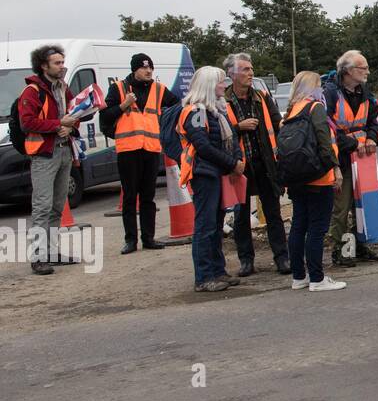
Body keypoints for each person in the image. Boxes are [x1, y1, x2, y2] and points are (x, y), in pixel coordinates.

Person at [100, 53, 180, 254]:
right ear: (134, 69)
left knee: (148, 197)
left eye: (151, 68)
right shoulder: (118, 88)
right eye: (144, 68)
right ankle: (130, 240)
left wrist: (166, 128)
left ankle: (149, 238)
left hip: (151, 149)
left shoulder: (159, 89)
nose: (148, 71)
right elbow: (106, 116)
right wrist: (123, 105)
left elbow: (177, 107)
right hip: (128, 149)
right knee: (129, 197)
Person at [178, 66, 245, 293]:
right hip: (204, 174)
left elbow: (231, 138)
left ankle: (217, 271)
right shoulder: (195, 112)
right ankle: (204, 277)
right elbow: (203, 146)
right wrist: (232, 163)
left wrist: (236, 158)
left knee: (216, 225)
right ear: (208, 85)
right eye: (220, 82)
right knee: (205, 226)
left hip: (216, 173)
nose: (224, 85)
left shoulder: (216, 111)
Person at [17, 45, 83, 275]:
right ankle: (38, 258)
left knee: (57, 206)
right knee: (42, 207)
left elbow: (74, 114)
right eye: (57, 63)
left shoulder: (63, 88)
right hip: (44, 155)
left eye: (63, 62)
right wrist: (59, 125)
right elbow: (27, 122)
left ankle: (51, 253)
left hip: (64, 151)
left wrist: (71, 127)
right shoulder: (32, 91)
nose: (62, 66)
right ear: (43, 65)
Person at [222, 53, 290, 276]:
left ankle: (282, 258)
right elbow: (219, 131)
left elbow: (276, 123)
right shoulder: (224, 99)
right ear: (231, 74)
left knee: (273, 213)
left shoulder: (261, 96)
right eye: (245, 69)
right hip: (239, 166)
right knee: (241, 216)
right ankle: (246, 261)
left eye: (251, 69)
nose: (250, 73)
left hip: (265, 163)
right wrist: (239, 127)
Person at [282, 70, 346, 292]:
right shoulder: (315, 108)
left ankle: (299, 277)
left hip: (297, 177)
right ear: (313, 88)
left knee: (299, 225)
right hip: (318, 176)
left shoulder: (291, 111)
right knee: (317, 228)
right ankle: (317, 278)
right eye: (319, 85)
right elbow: (324, 142)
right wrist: (336, 169)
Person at [323, 50, 378, 267]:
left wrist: (372, 138)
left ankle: (361, 245)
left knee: (363, 204)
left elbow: (373, 121)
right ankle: (339, 250)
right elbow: (326, 129)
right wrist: (354, 144)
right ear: (348, 71)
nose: (367, 71)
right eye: (362, 68)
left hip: (363, 158)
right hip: (342, 159)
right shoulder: (330, 94)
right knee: (342, 205)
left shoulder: (365, 93)